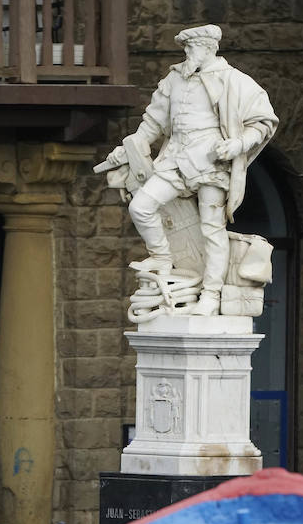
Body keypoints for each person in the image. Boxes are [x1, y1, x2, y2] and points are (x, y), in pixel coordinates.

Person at [106, 24, 278, 316]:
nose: (186, 52)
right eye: (185, 48)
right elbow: (152, 122)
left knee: (213, 229)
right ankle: (161, 257)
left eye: (192, 47)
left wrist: (237, 144)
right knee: (141, 207)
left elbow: (262, 123)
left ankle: (211, 294)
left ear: (209, 48)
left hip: (212, 162)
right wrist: (129, 148)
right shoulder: (174, 79)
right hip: (176, 158)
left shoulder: (234, 81)